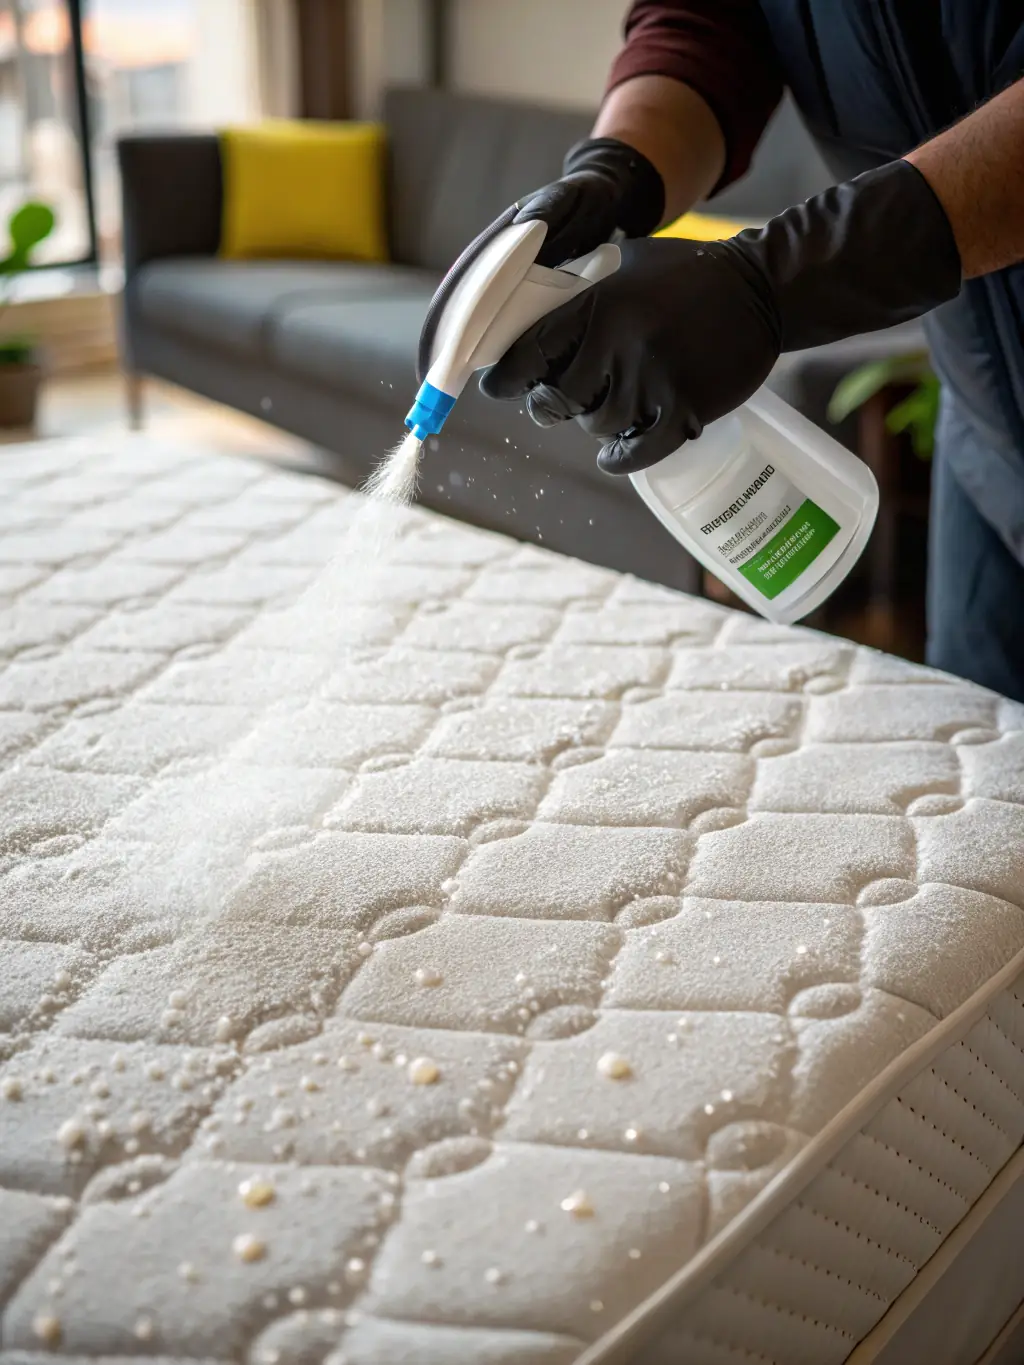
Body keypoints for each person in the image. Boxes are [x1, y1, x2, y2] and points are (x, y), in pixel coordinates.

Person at [472, 2, 1024, 701]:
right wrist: (615, 173)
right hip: (987, 428)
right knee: (979, 762)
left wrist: (775, 279)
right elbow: (709, 22)